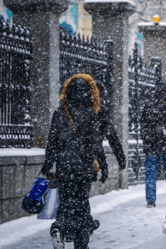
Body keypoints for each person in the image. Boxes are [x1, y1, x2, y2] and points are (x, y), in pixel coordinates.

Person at [41, 74, 125, 249]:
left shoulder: (59, 112)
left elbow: (52, 142)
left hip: (64, 165)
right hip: (84, 166)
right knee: (81, 205)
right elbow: (96, 144)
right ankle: (81, 243)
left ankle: (58, 228)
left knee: (65, 203)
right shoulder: (91, 113)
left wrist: (47, 165)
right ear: (88, 93)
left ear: (67, 92)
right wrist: (103, 165)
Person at [140, 81, 166, 208]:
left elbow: (143, 126)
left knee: (151, 173)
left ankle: (150, 200)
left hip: (151, 145)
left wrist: (148, 139)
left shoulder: (149, 106)